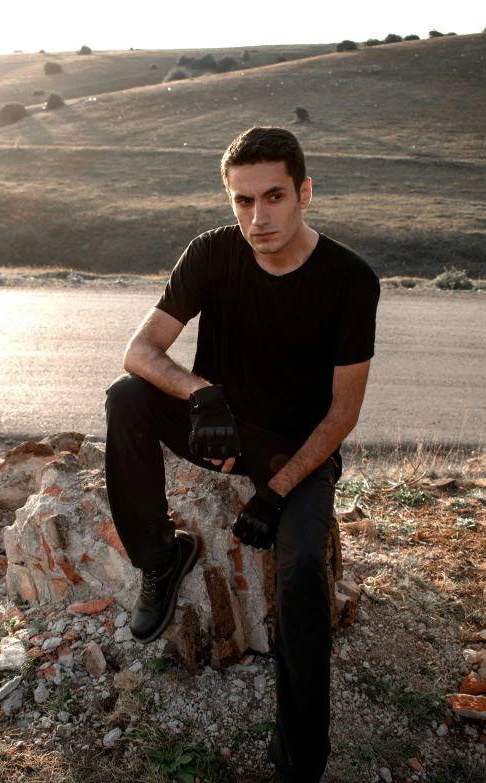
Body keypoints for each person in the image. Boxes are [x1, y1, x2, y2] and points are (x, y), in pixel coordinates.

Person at [105, 126, 380, 783]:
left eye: (275, 196)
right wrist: (203, 397)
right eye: (242, 200)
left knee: (303, 567)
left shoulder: (349, 279)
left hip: (301, 446)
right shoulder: (210, 253)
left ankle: (299, 760)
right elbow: (140, 353)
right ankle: (159, 558)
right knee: (127, 400)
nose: (258, 217)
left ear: (305, 192)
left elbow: (344, 412)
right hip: (220, 426)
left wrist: (277, 490)